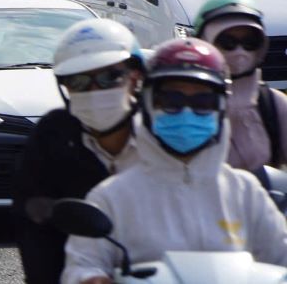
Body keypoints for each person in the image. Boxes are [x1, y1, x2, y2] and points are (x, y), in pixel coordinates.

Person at [62, 38, 287, 284]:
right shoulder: (111, 197)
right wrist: (91, 279)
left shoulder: (245, 191)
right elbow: (82, 265)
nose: (186, 112)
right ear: (148, 104)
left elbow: (281, 256)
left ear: (221, 109)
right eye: (171, 101)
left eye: (203, 102)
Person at [13, 19, 144, 284]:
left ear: (136, 76)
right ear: (65, 87)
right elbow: (35, 223)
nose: (94, 91)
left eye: (109, 77)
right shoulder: (52, 135)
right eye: (79, 81)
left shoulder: (164, 130)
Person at [195, 0, 287, 180]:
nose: (239, 51)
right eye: (227, 42)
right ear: (203, 42)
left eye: (249, 43)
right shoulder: (183, 102)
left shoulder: (273, 104)